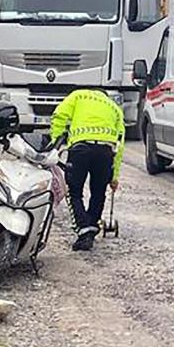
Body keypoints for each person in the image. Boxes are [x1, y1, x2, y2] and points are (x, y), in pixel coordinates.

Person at [49, 89, 125, 251]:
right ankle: (91, 226)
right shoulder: (114, 107)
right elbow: (120, 145)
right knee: (98, 192)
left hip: (80, 149)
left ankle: (84, 230)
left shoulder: (78, 95)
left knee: (74, 191)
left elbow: (59, 116)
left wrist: (54, 144)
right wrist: (114, 177)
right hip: (105, 151)